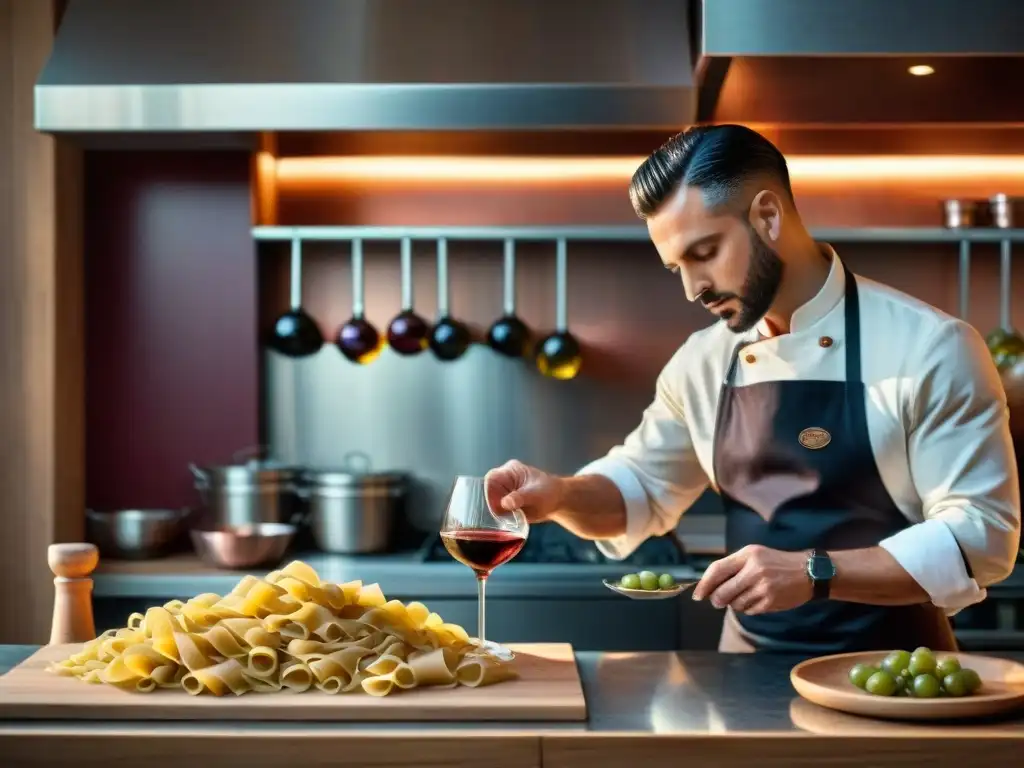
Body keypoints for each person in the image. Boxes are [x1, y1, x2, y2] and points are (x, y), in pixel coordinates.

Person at [484, 124, 1021, 653]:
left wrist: (815, 572)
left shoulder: (930, 347)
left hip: (896, 672)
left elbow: (983, 536)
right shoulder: (701, 361)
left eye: (705, 252)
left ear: (767, 215)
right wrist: (558, 496)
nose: (693, 288)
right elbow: (639, 489)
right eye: (677, 267)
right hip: (744, 667)